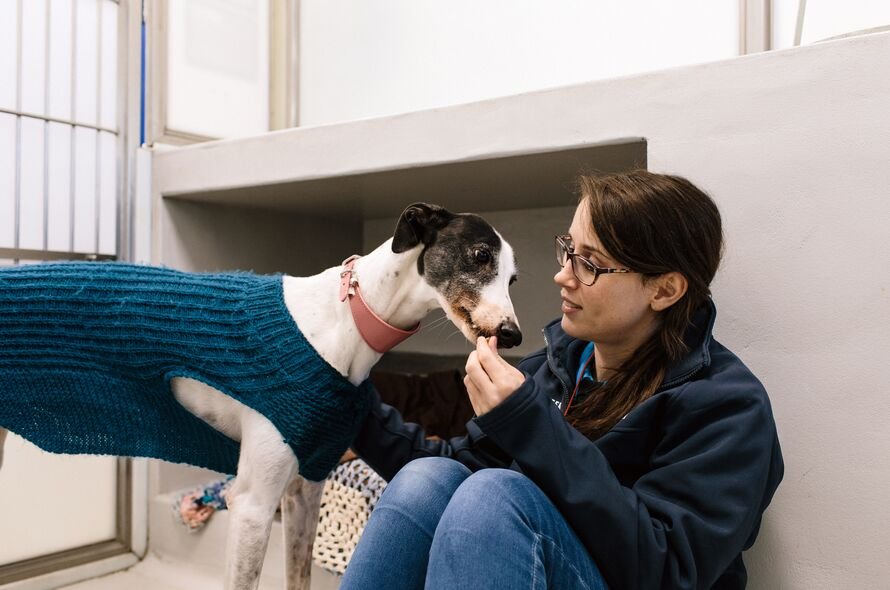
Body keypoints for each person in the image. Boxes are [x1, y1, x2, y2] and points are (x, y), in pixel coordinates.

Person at [340, 170, 784, 590]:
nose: (562, 275)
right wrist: (345, 383)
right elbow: (460, 467)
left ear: (664, 290)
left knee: (496, 495)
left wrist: (530, 425)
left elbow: (668, 570)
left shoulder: (727, 405)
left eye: (589, 263)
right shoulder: (555, 369)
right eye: (567, 250)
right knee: (428, 479)